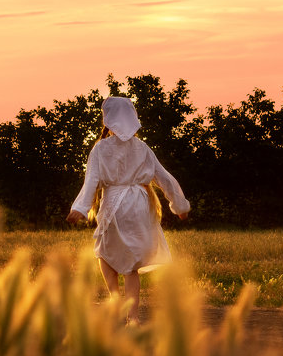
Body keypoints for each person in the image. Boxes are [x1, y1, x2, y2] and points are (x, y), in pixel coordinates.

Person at [66, 96, 190, 322]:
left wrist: (80, 208)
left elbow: (91, 181)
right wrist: (179, 205)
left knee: (104, 252)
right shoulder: (142, 147)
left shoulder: (100, 148)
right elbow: (164, 178)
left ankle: (115, 302)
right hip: (140, 206)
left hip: (115, 204)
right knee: (131, 263)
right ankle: (132, 317)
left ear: (108, 119)